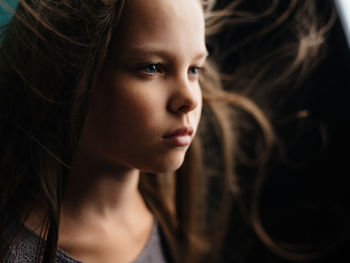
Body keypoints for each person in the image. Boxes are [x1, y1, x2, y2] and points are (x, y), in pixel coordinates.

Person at [0, 0, 274, 262]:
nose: (189, 98)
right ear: (66, 73)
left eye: (194, 69)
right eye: (152, 68)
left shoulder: (171, 219)